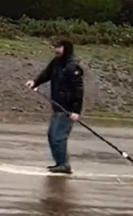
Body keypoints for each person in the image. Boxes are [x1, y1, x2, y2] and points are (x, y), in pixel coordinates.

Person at [26, 40, 84, 174]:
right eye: (55, 47)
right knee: (52, 134)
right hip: (57, 106)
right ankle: (59, 163)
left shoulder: (72, 67)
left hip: (67, 109)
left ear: (66, 49)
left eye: (59, 48)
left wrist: (76, 111)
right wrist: (34, 82)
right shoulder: (56, 62)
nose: (56, 50)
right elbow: (46, 74)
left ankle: (64, 165)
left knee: (58, 136)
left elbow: (79, 90)